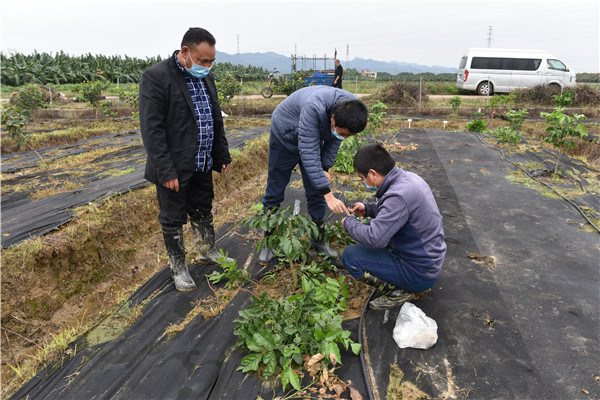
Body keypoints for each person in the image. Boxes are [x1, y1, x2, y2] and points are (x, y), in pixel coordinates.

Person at [139, 27, 232, 292]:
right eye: (203, 61)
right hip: (174, 167)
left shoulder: (206, 78)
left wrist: (221, 154)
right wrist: (165, 171)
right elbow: (152, 130)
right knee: (173, 216)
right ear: (184, 52)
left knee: (203, 207)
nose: (208, 66)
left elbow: (215, 119)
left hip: (201, 161)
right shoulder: (156, 77)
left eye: (212, 61)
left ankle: (206, 250)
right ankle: (178, 267)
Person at [259, 85, 368, 265]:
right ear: (332, 118)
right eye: (342, 133)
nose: (345, 138)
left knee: (316, 191)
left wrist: (324, 167)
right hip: (285, 134)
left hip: (312, 135)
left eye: (349, 135)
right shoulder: (314, 107)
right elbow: (308, 151)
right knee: (275, 189)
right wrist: (328, 194)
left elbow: (335, 141)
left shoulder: (350, 108)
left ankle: (318, 241)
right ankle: (267, 242)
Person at [341, 143, 446, 310]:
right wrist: (367, 208)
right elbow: (393, 210)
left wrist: (348, 222)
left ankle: (400, 291)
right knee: (368, 226)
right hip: (427, 259)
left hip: (419, 273)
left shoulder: (398, 195)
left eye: (363, 178)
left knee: (350, 256)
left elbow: (375, 239)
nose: (364, 182)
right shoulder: (408, 179)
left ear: (373, 173)